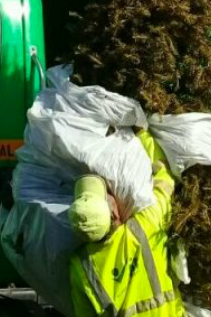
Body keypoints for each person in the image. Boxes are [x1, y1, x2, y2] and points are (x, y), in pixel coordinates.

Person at [68, 130, 183, 317]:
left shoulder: (80, 267)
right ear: (113, 214)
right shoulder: (144, 227)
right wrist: (142, 133)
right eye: (109, 196)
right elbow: (165, 181)